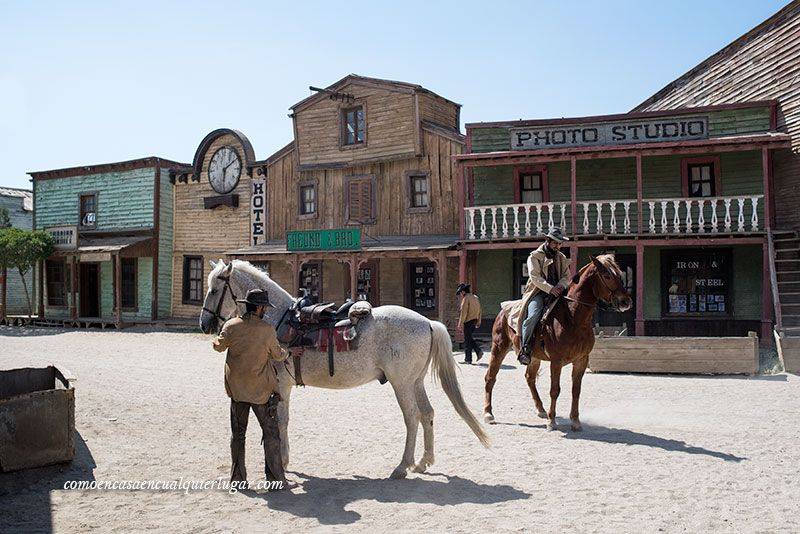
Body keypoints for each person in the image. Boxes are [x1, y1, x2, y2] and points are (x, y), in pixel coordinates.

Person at [212, 288, 299, 489]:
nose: (265, 312)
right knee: (271, 435)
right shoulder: (266, 330)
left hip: (237, 391)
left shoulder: (231, 326)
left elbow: (218, 346)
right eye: (264, 308)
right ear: (259, 307)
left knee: (238, 435)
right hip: (261, 392)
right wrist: (289, 352)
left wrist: (219, 338)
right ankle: (276, 481)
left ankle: (238, 480)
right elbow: (277, 355)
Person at [517, 228, 571, 366]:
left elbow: (566, 276)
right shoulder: (534, 256)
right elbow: (535, 277)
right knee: (533, 316)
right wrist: (549, 288)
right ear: (548, 241)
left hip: (558, 292)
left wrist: (560, 286)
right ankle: (525, 349)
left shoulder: (561, 257)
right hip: (538, 292)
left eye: (560, 244)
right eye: (556, 243)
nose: (558, 246)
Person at [456, 282, 483, 364]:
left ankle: (469, 358)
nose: (460, 294)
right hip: (475, 320)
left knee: (467, 341)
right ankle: (477, 353)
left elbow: (464, 312)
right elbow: (480, 311)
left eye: (460, 292)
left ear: (463, 292)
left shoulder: (466, 299)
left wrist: (460, 324)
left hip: (468, 322)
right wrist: (479, 321)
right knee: (469, 338)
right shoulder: (475, 297)